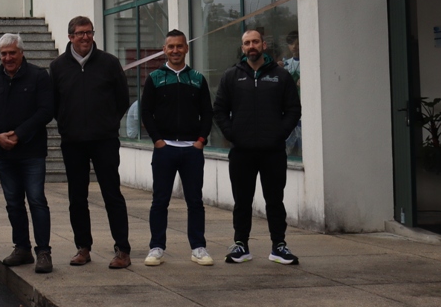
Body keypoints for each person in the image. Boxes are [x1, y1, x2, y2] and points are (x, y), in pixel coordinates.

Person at [213, 28, 303, 265]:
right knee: (242, 201)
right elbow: (219, 110)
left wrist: (279, 134)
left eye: (255, 42)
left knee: (275, 200)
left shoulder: (281, 76)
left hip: (273, 152)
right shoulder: (231, 76)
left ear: (264, 45)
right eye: (247, 43)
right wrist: (232, 134)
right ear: (242, 47)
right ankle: (241, 245)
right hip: (241, 152)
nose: (251, 46)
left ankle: (279, 246)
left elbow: (293, 109)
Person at [49, 16, 132, 269]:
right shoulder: (58, 67)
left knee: (112, 195)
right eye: (80, 33)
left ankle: (122, 250)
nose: (85, 37)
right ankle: (83, 248)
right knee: (77, 197)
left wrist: (108, 123)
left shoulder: (109, 63)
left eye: (89, 32)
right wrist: (67, 125)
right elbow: (54, 103)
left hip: (105, 141)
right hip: (73, 142)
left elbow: (122, 99)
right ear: (70, 37)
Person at [139, 30, 215, 267]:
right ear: (164, 50)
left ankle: (198, 247)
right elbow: (145, 112)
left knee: (195, 201)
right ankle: (156, 247)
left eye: (179, 46)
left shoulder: (197, 78)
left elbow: (208, 112)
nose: (175, 51)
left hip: (192, 150)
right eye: (170, 47)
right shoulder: (155, 78)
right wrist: (157, 141)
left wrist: (200, 140)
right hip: (165, 149)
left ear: (186, 49)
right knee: (160, 201)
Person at [0, 33, 55, 274]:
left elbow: (46, 111)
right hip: (4, 154)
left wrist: (19, 135)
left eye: (12, 52)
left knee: (36, 200)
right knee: (13, 203)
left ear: (21, 52)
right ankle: (22, 248)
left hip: (31, 152)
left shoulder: (38, 76)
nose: (8, 58)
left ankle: (43, 252)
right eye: (4, 54)